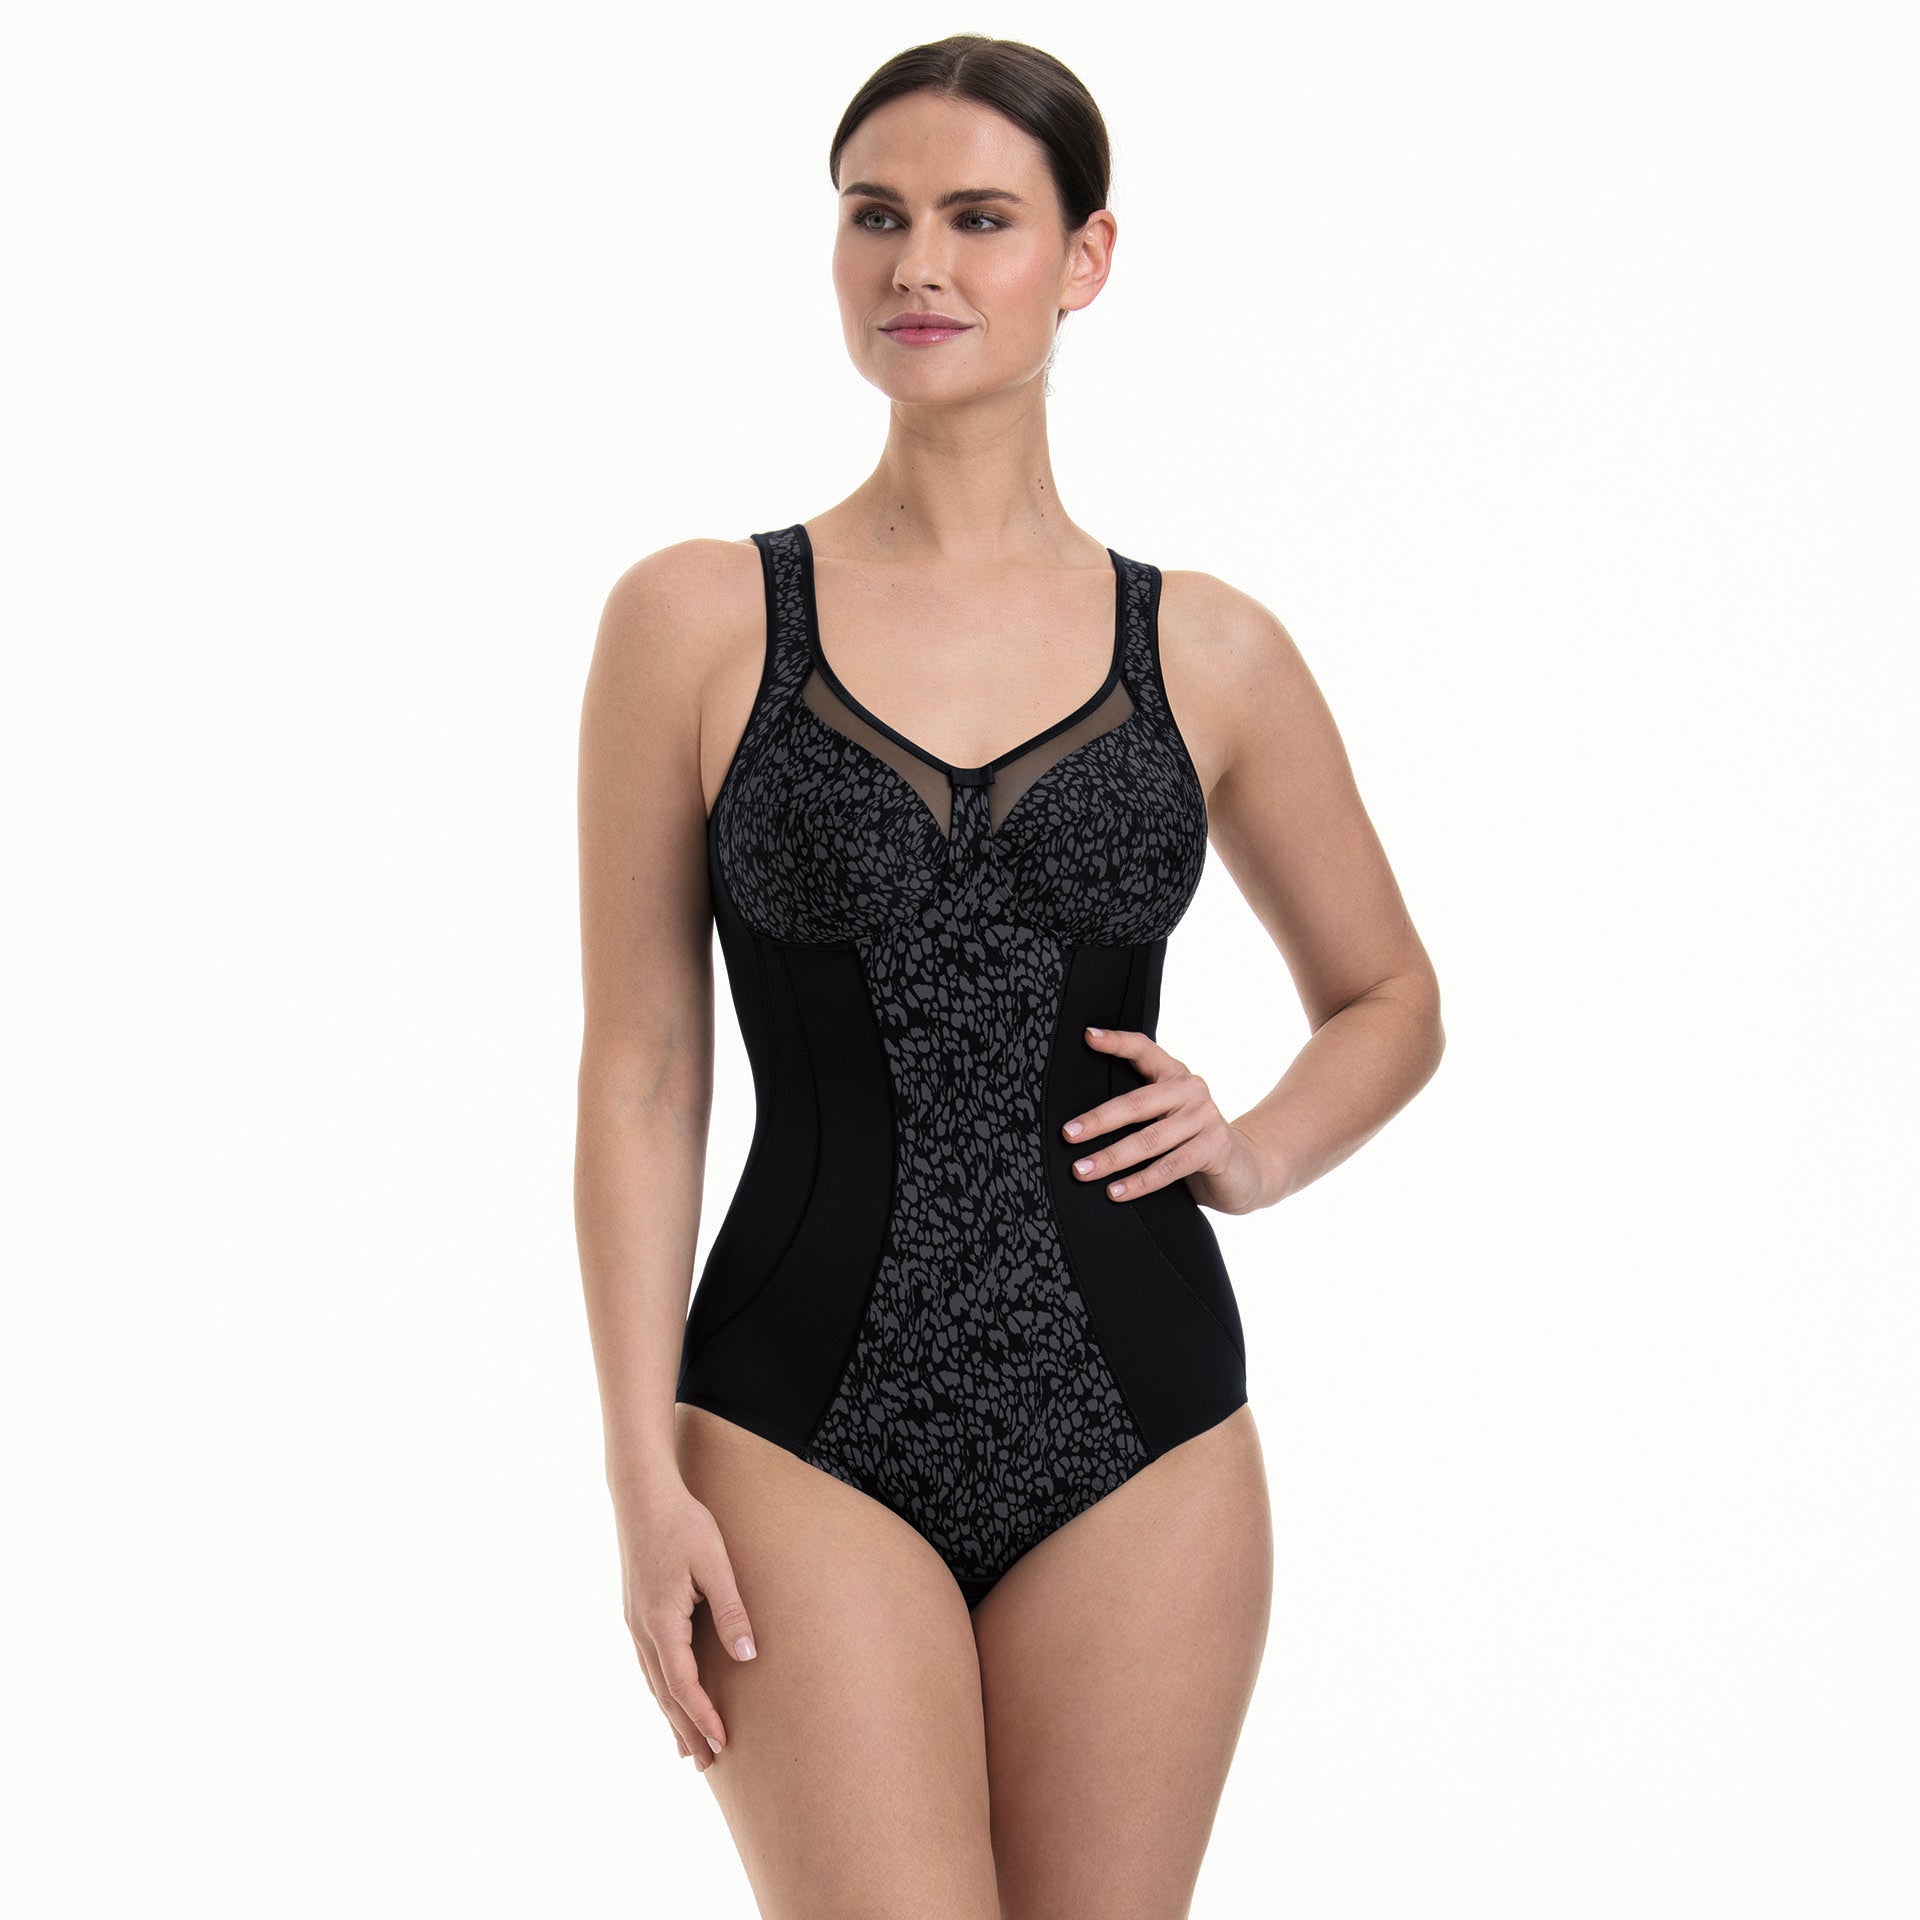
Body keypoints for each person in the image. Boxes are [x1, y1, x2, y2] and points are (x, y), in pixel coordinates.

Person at [574, 32, 1444, 1917]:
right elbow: (643, 1073)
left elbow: (1391, 997)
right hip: (791, 1430)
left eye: (981, 219)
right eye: (874, 216)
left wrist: (1257, 1150)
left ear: (1085, 257)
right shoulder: (696, 621)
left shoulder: (1209, 650)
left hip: (1147, 1432)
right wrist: (641, 1476)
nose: (918, 266)